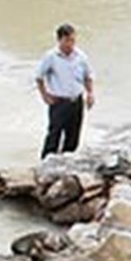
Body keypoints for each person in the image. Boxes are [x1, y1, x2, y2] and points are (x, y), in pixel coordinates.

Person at [35, 23, 95, 159]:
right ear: (59, 40)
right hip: (59, 102)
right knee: (54, 134)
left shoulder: (80, 56)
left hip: (76, 100)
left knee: (73, 136)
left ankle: (67, 162)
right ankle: (46, 163)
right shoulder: (51, 57)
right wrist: (45, 95)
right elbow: (39, 77)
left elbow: (88, 76)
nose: (70, 44)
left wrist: (90, 94)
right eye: (67, 40)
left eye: (73, 40)